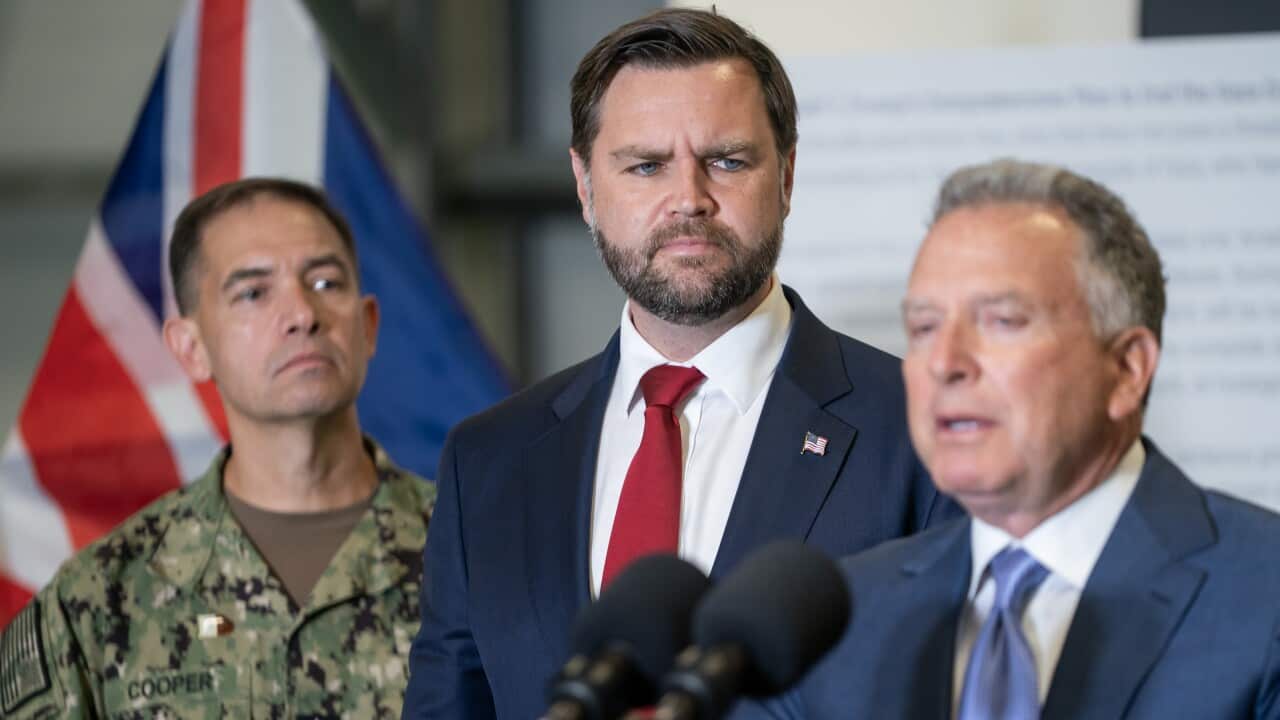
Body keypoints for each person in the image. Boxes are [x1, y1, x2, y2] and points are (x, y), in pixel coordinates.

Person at [403, 9, 955, 719]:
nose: (688, 199)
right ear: (584, 185)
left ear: (785, 174)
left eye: (727, 160)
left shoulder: (919, 429)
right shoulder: (488, 461)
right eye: (645, 166)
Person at [753, 159, 1280, 720]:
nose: (945, 364)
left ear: (1127, 369)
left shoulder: (1263, 594)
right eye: (925, 328)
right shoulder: (841, 616)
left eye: (1002, 322)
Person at [0, 178, 434, 719]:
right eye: (253, 293)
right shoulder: (98, 604)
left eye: (324, 283)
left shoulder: (474, 557)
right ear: (191, 348)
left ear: (367, 326)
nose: (302, 314)